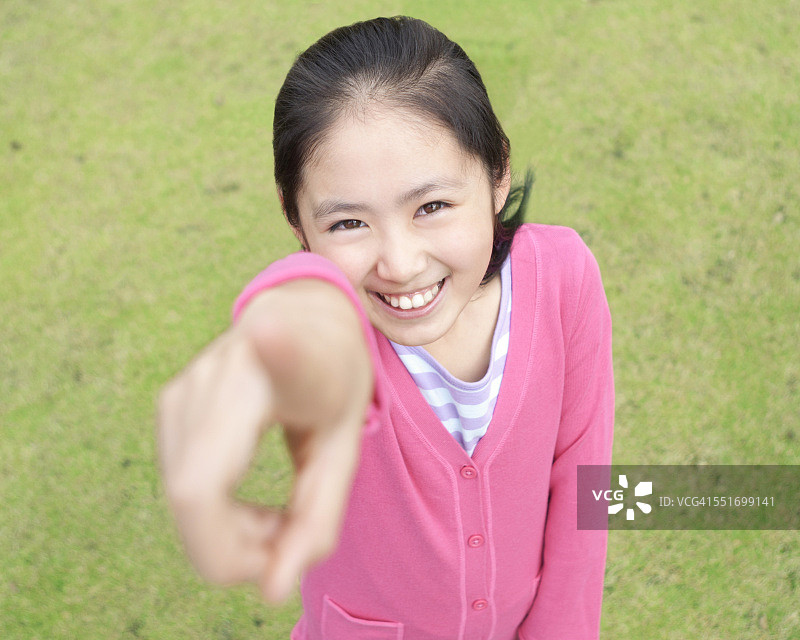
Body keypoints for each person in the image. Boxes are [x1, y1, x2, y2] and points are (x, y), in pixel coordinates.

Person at [158, 15, 614, 640]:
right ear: (298, 223)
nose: (398, 264)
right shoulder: (341, 324)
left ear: (497, 173)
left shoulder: (564, 277)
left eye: (432, 206)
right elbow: (300, 313)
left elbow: (587, 486)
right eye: (348, 224)